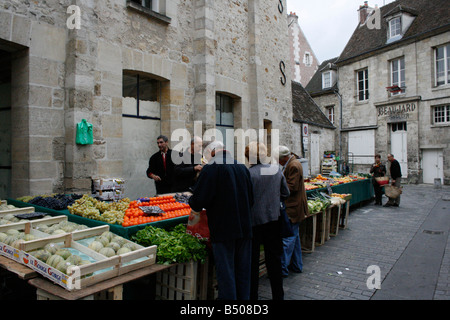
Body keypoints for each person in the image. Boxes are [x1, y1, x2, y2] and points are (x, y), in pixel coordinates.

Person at [189, 141, 254, 300]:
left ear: (211, 152)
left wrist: (192, 200)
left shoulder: (211, 168)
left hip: (223, 228)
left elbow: (198, 202)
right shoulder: (241, 167)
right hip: (245, 227)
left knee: (226, 273)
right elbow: (251, 199)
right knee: (242, 271)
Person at [245, 142, 290, 300]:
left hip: (254, 222)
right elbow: (286, 192)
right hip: (273, 220)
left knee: (252, 262)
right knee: (274, 261)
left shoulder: (248, 174)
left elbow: (245, 199)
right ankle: (278, 295)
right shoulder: (276, 170)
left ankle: (252, 297)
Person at [278, 146, 308, 277]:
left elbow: (291, 187)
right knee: (294, 237)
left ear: (285, 157)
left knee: (288, 238)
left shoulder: (293, 165)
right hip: (294, 207)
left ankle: (282, 269)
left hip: (293, 207)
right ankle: (297, 265)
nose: (279, 162)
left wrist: (277, 187)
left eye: (279, 160)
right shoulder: (292, 163)